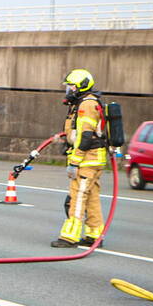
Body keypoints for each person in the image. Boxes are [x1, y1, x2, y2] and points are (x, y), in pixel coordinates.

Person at [51, 69, 108, 248]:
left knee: (78, 197)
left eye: (71, 86)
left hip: (87, 160)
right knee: (91, 197)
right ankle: (94, 234)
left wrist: (74, 161)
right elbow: (78, 132)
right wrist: (64, 136)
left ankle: (70, 237)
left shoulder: (86, 105)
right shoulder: (83, 103)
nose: (68, 89)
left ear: (81, 86)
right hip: (93, 159)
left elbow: (86, 136)